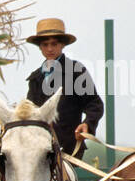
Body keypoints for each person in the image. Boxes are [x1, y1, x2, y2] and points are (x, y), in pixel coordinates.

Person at [24, 18, 103, 157]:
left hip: (70, 148)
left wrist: (87, 124)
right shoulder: (35, 78)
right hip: (40, 150)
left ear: (62, 45)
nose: (50, 49)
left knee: (66, 179)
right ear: (40, 47)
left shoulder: (76, 71)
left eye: (54, 44)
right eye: (45, 44)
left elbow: (94, 104)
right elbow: (30, 112)